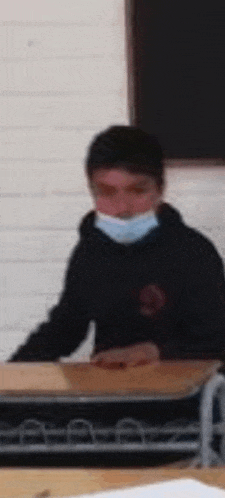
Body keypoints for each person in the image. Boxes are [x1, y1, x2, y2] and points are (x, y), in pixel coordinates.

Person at [9, 125, 225, 367]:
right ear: (92, 193)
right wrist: (10, 375)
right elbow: (65, 329)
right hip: (111, 390)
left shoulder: (194, 252)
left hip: (181, 396)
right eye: (107, 193)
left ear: (160, 190)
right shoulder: (90, 251)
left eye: (137, 190)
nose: (122, 208)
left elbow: (217, 341)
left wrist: (155, 352)